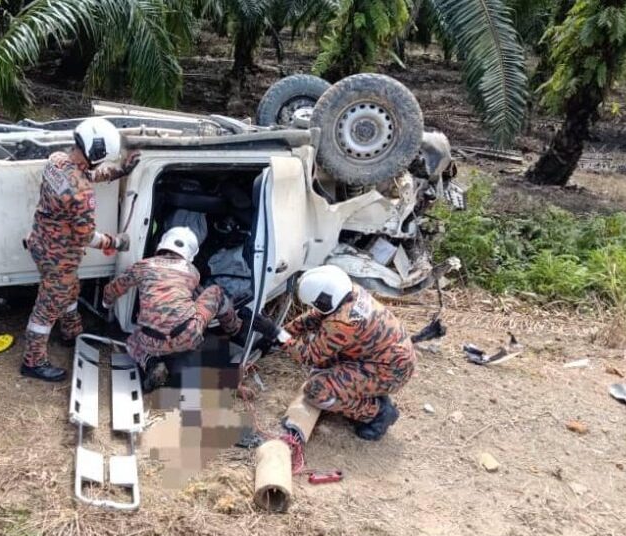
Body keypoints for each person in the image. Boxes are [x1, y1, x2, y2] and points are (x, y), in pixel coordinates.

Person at [21, 117, 140, 382]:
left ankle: (72, 333)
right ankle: (33, 361)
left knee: (70, 289)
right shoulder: (82, 195)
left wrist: (119, 170)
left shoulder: (57, 161)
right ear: (96, 154)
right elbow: (86, 236)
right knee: (47, 308)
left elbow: (82, 175)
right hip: (59, 256)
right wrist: (116, 242)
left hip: (41, 241)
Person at [247, 265, 415, 440]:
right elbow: (314, 317)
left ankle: (378, 413)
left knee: (316, 391)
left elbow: (309, 356)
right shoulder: (349, 293)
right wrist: (283, 332)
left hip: (391, 372)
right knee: (324, 365)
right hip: (384, 359)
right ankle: (368, 392)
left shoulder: (343, 322)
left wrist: (276, 334)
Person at [101, 227, 243, 387]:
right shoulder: (192, 272)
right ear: (190, 254)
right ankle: (234, 328)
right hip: (187, 335)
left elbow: (113, 289)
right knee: (215, 292)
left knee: (132, 341)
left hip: (151, 340)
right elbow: (198, 300)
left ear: (162, 245)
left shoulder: (142, 266)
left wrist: (107, 304)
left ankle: (151, 363)